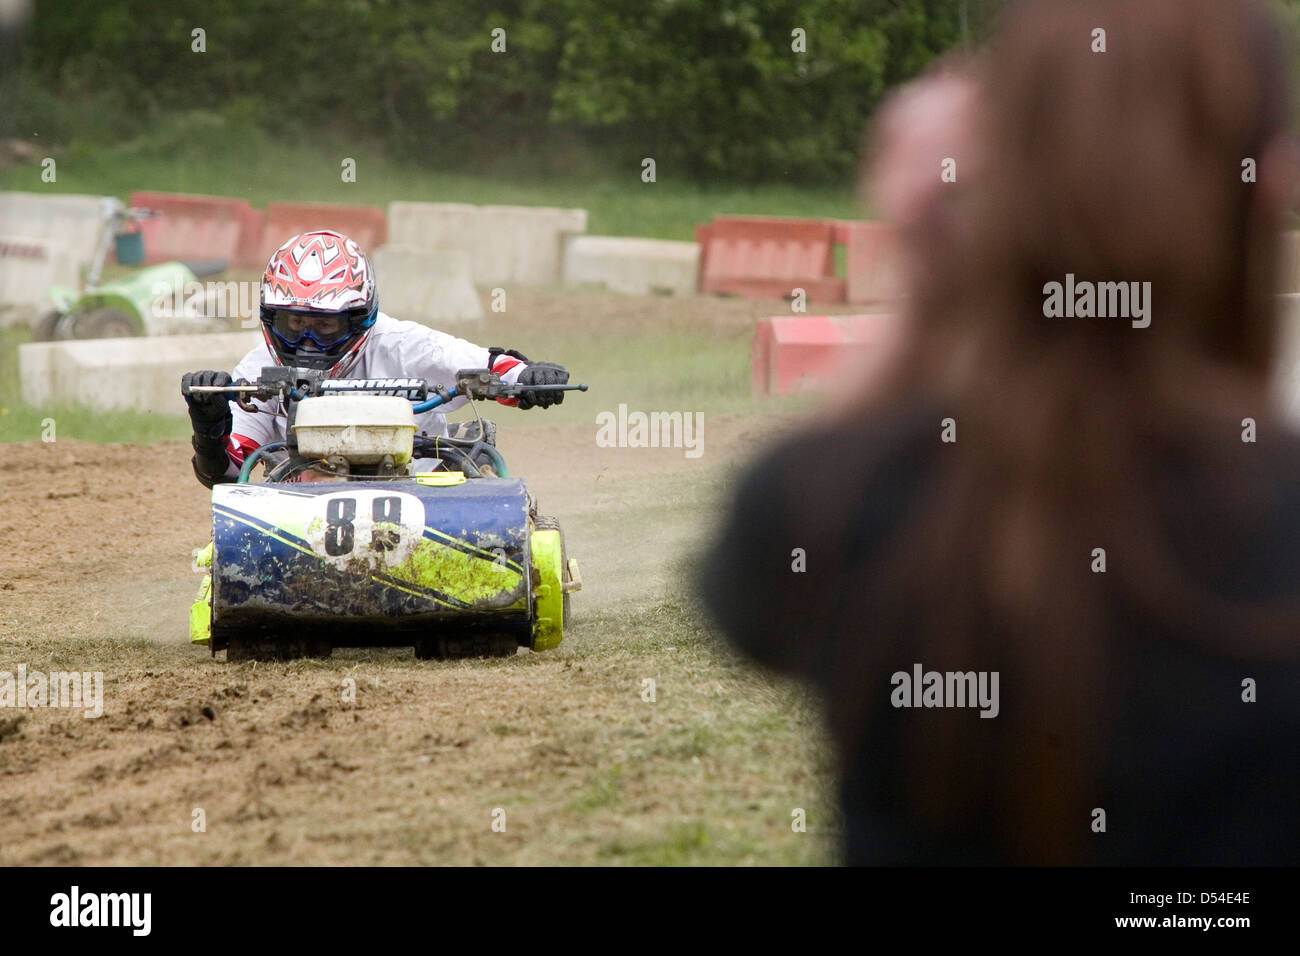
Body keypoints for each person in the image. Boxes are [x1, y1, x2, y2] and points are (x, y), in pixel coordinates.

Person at [701, 0, 1300, 865]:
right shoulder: (1274, 526)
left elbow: (757, 600)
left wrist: (923, 264)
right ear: (1269, 189)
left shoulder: (836, 504)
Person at [181, 230, 568, 486]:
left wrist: (528, 378)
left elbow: (492, 367)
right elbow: (230, 476)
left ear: (358, 319)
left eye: (325, 327)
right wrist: (209, 426)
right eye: (296, 324)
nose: (308, 342)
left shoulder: (404, 344)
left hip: (422, 500)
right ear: (271, 319)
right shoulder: (256, 372)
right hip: (299, 514)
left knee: (483, 477)